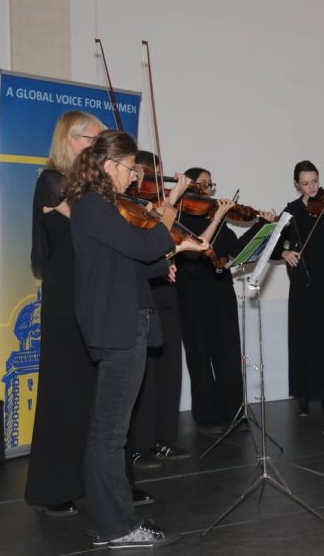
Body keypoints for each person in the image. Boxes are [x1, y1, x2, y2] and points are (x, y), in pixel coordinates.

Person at [66, 130, 208, 549]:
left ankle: (109, 519)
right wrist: (173, 238)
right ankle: (115, 527)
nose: (135, 178)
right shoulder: (94, 206)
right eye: (131, 169)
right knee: (111, 433)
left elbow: (126, 262)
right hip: (118, 324)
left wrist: (163, 263)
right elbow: (143, 245)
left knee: (111, 430)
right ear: (110, 167)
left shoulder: (100, 207)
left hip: (122, 318)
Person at [25, 111, 104, 516]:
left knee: (87, 396)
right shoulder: (51, 183)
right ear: (73, 139)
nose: (99, 145)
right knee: (62, 393)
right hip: (64, 300)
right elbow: (88, 228)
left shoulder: (84, 189)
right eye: (95, 138)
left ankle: (86, 480)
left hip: (87, 297)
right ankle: (50, 488)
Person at [175, 168, 275, 433]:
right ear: (187, 187)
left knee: (228, 354)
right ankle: (207, 416)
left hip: (221, 292)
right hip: (191, 294)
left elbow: (237, 250)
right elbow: (195, 249)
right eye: (202, 184)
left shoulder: (216, 220)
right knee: (199, 355)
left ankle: (234, 412)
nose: (208, 189)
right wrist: (218, 216)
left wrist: (261, 225)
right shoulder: (177, 216)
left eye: (210, 184)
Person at [274, 161, 324, 417]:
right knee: (303, 340)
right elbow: (273, 240)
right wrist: (285, 252)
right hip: (303, 284)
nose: (312, 187)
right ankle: (304, 397)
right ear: (297, 184)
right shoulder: (291, 210)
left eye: (315, 181)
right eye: (306, 183)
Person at [127, 151, 191, 468]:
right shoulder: (126, 205)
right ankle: (139, 445)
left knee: (169, 371)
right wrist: (171, 200)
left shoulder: (152, 206)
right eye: (143, 172)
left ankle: (164, 440)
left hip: (166, 291)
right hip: (143, 292)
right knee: (144, 377)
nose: (150, 179)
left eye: (156, 172)